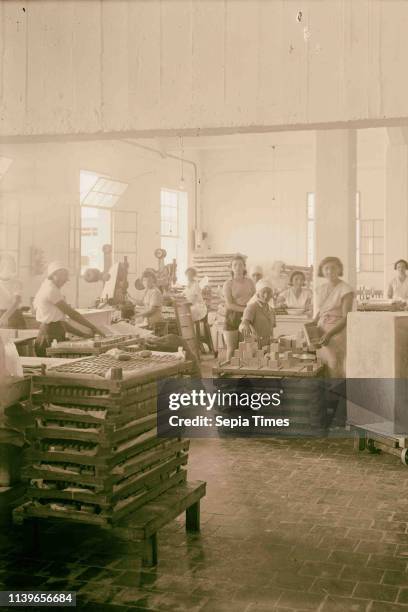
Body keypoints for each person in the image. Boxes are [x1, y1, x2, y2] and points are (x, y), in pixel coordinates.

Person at [33, 262, 106, 357]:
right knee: (51, 365)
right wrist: (93, 328)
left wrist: (83, 335)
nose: (64, 282)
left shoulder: (48, 287)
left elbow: (61, 323)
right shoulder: (51, 290)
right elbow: (72, 314)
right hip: (49, 336)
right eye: (62, 279)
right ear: (54, 275)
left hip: (53, 333)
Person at [314, 256, 354, 378]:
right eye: (326, 268)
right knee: (321, 365)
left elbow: (346, 317)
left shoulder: (346, 289)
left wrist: (329, 334)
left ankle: (337, 396)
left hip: (337, 332)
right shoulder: (321, 288)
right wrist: (311, 325)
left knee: (335, 364)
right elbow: (321, 311)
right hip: (321, 330)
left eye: (333, 268)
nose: (329, 271)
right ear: (322, 270)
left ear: (339, 269)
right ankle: (325, 395)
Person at [223, 255, 255, 360]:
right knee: (231, 348)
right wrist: (246, 310)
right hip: (232, 316)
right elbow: (229, 304)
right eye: (235, 265)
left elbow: (255, 299)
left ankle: (243, 372)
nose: (238, 267)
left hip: (247, 317)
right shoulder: (228, 284)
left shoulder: (250, 282)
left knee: (245, 348)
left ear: (244, 267)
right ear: (231, 268)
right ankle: (227, 371)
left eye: (240, 264)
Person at [239, 279, 276, 347]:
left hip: (269, 346)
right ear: (258, 293)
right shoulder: (252, 307)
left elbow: (271, 329)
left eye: (269, 292)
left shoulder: (271, 310)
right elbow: (244, 323)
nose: (266, 295)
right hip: (256, 345)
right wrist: (244, 326)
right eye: (263, 292)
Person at [0, 254, 25, 329]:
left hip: (13, 315)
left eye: (11, 264)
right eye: (5, 264)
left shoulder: (17, 282)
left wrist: (5, 316)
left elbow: (16, 302)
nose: (7, 267)